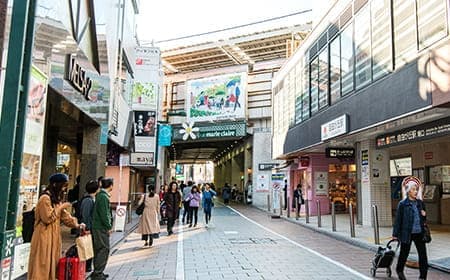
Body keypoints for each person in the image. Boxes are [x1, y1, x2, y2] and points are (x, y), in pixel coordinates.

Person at [27, 173, 85, 280]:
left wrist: (77, 225)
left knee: (52, 264)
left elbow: (65, 217)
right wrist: (61, 206)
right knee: (42, 264)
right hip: (43, 236)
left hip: (53, 237)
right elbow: (47, 218)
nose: (64, 189)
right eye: (63, 186)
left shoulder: (56, 199)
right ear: (55, 185)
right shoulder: (45, 198)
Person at [392, 180, 428, 280]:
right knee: (404, 254)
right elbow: (398, 220)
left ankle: (423, 276)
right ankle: (399, 270)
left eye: (416, 189)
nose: (415, 191)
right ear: (408, 191)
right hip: (407, 233)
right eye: (413, 189)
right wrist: (395, 234)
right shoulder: (402, 204)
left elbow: (423, 219)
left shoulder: (420, 203)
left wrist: (424, 215)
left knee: (423, 255)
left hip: (419, 233)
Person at [91, 178, 114, 280]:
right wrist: (108, 226)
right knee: (104, 248)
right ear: (110, 185)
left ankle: (98, 271)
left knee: (99, 249)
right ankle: (98, 273)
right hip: (100, 227)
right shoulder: (103, 197)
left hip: (98, 226)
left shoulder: (100, 195)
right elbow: (105, 214)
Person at [79, 180, 99, 272]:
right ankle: (86, 267)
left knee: (89, 247)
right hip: (87, 228)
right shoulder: (88, 200)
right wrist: (87, 228)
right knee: (86, 247)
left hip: (90, 227)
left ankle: (87, 266)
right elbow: (85, 215)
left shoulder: (91, 199)